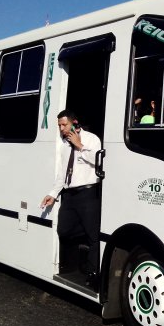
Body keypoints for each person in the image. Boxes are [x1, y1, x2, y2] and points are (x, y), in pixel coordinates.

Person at [41, 109, 101, 286]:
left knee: (93, 236)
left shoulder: (91, 139)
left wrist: (79, 145)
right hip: (70, 195)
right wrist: (53, 194)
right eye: (59, 125)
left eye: (63, 124)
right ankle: (81, 254)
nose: (61, 128)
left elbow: (100, 162)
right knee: (64, 230)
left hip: (88, 193)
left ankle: (92, 273)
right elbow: (62, 173)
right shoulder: (64, 145)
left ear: (74, 123)